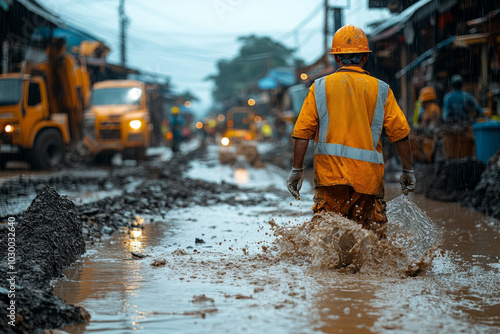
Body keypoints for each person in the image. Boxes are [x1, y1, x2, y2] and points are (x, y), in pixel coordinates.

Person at [286, 25, 415, 232]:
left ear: (336, 59)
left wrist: (296, 170)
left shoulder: (319, 87)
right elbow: (400, 135)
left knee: (328, 237)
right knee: (371, 238)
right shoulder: (381, 90)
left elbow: (302, 134)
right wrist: (407, 171)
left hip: (330, 179)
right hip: (368, 180)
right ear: (365, 57)